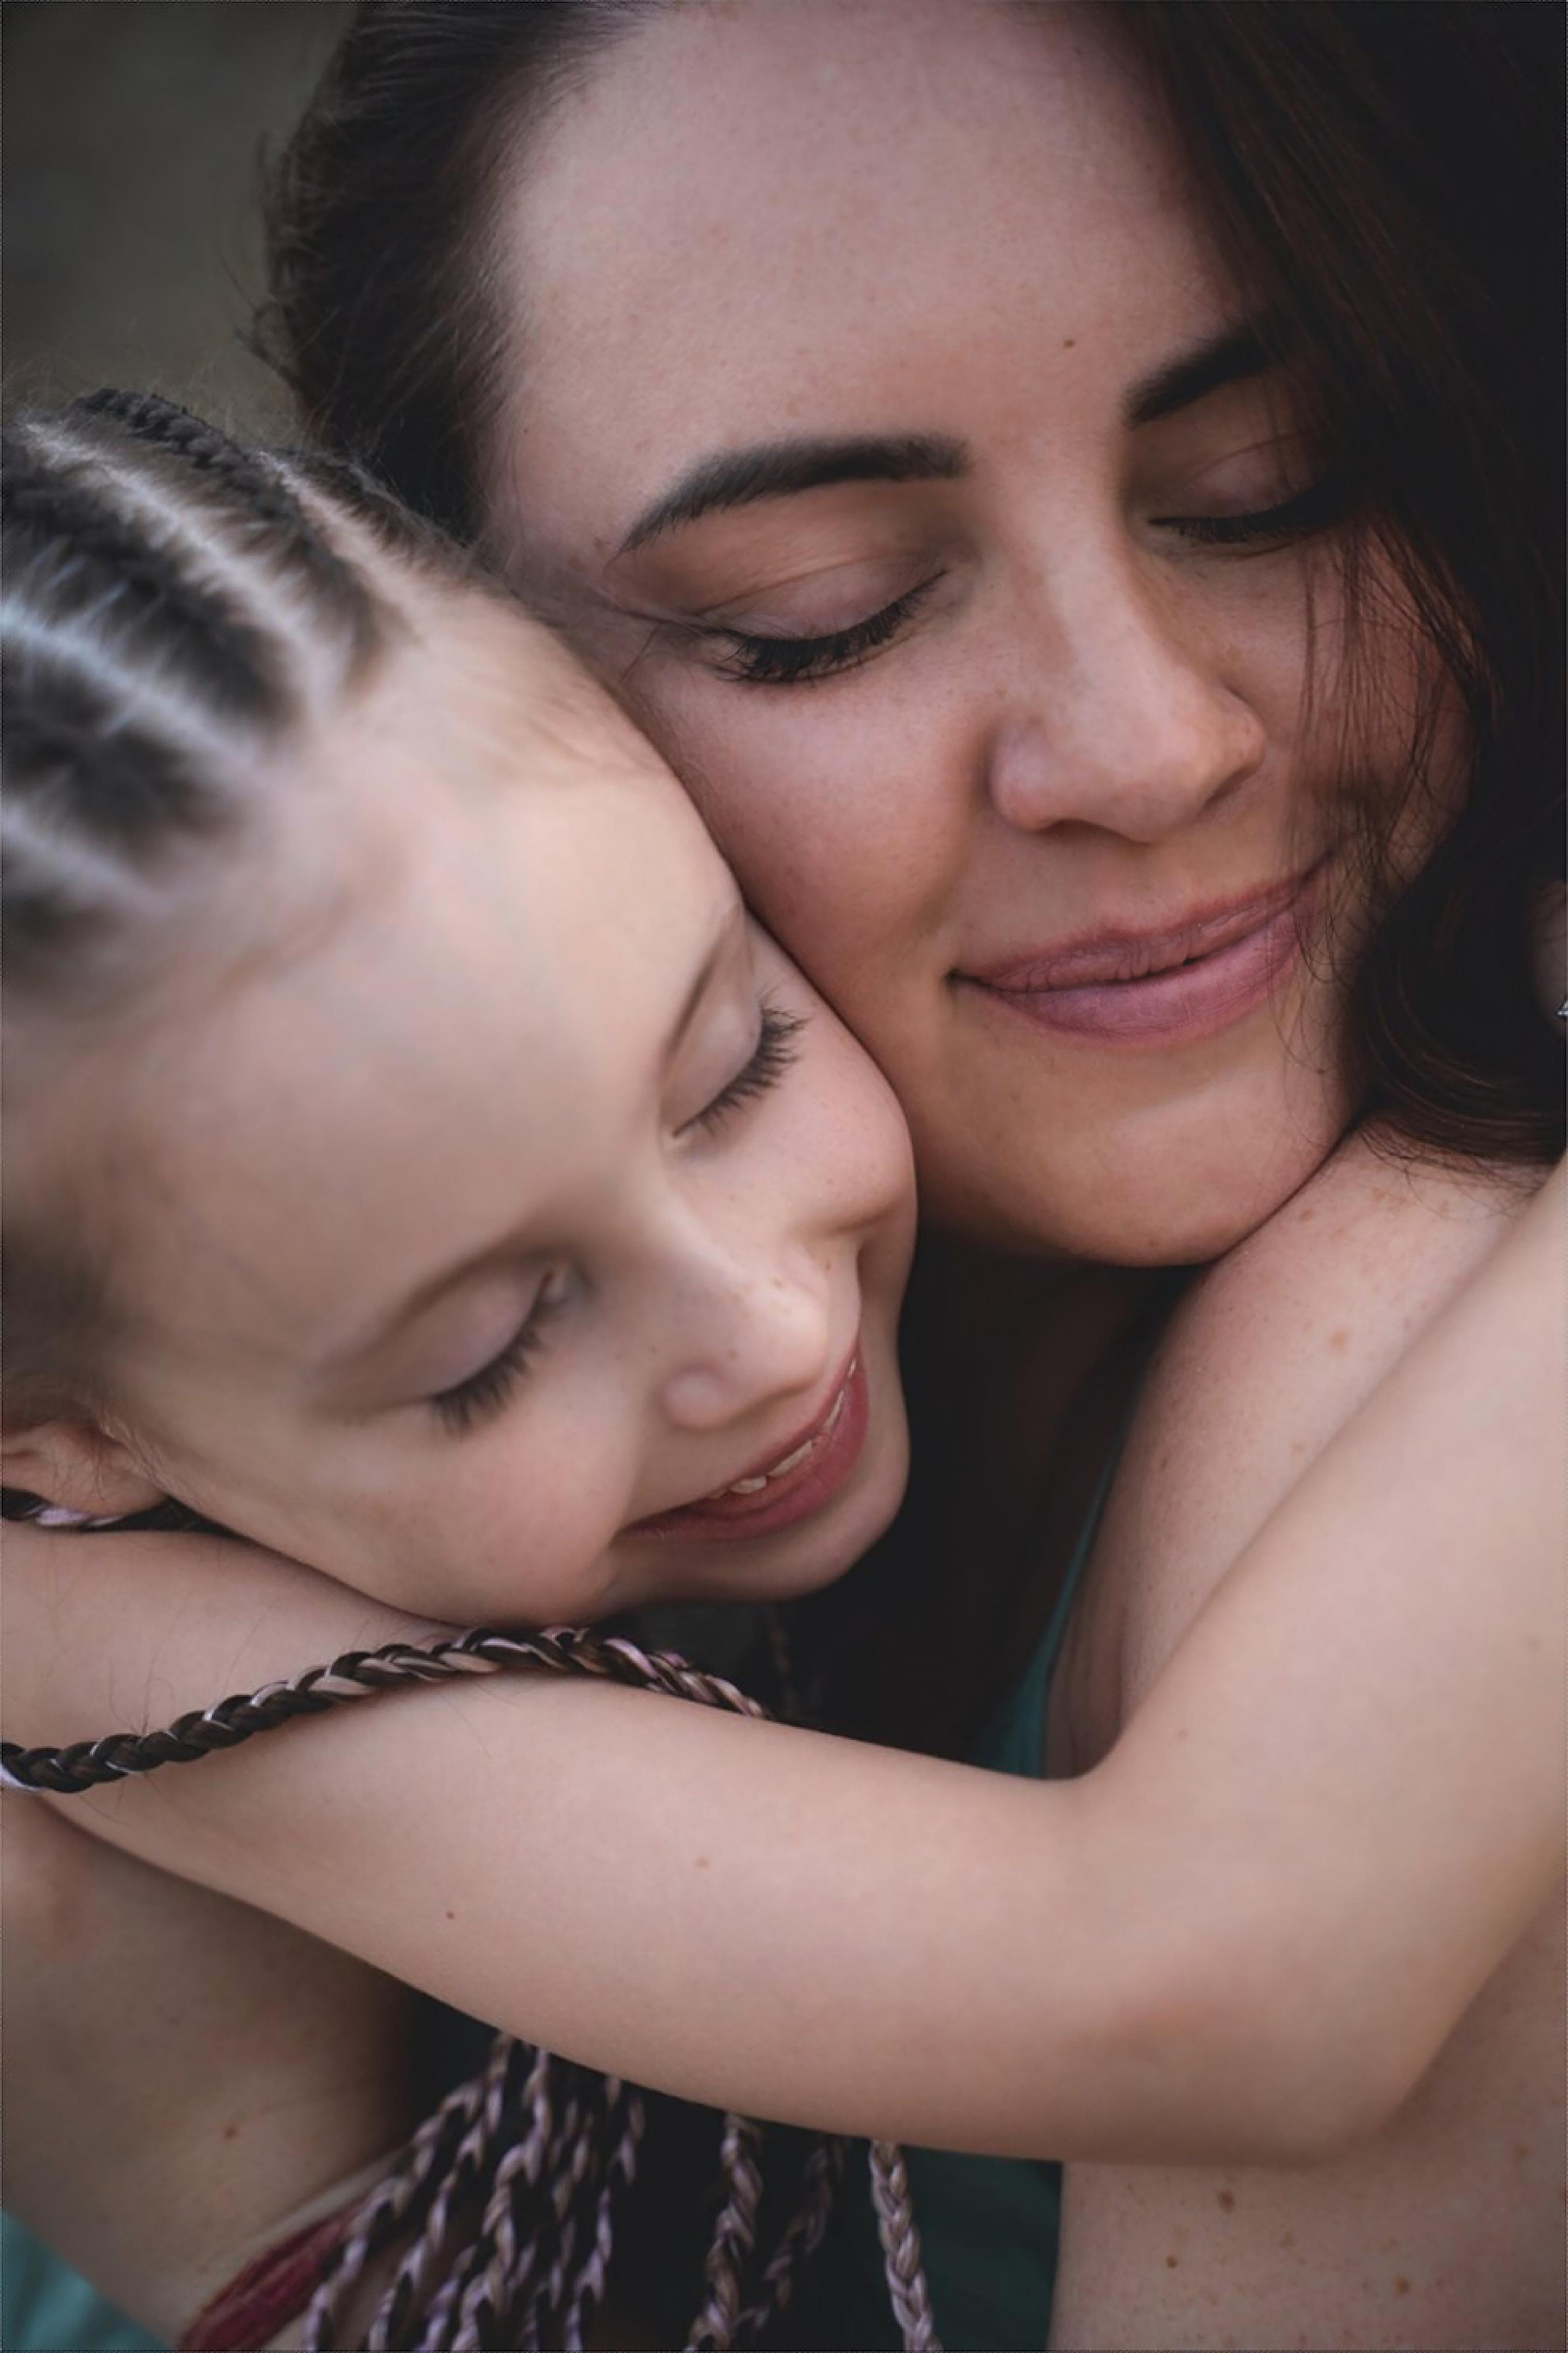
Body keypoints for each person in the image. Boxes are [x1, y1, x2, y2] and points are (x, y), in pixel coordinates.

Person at [4, 0, 1562, 2337]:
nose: (1148, 748)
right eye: (817, 615)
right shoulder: (121, 1510)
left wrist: (241, 2240)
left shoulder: (1399, 1416)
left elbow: (1234, 1972)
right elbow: (1209, 1974)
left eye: (1269, 479)